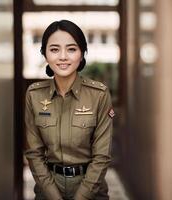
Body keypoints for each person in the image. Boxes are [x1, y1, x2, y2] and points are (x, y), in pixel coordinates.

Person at [24, 19, 115, 200]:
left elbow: (102, 156)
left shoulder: (99, 95)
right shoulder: (34, 95)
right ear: (45, 54)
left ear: (82, 54)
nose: (63, 56)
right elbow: (34, 153)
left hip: (91, 189)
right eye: (54, 49)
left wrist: (82, 196)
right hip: (47, 189)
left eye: (71, 49)